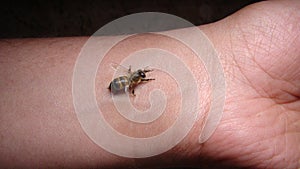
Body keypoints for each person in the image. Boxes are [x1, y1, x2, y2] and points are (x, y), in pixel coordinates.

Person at [0, 0, 299, 168]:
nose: (141, 78)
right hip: (115, 85)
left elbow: (130, 78)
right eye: (141, 77)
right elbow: (128, 82)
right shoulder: (131, 81)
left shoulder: (133, 78)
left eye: (141, 77)